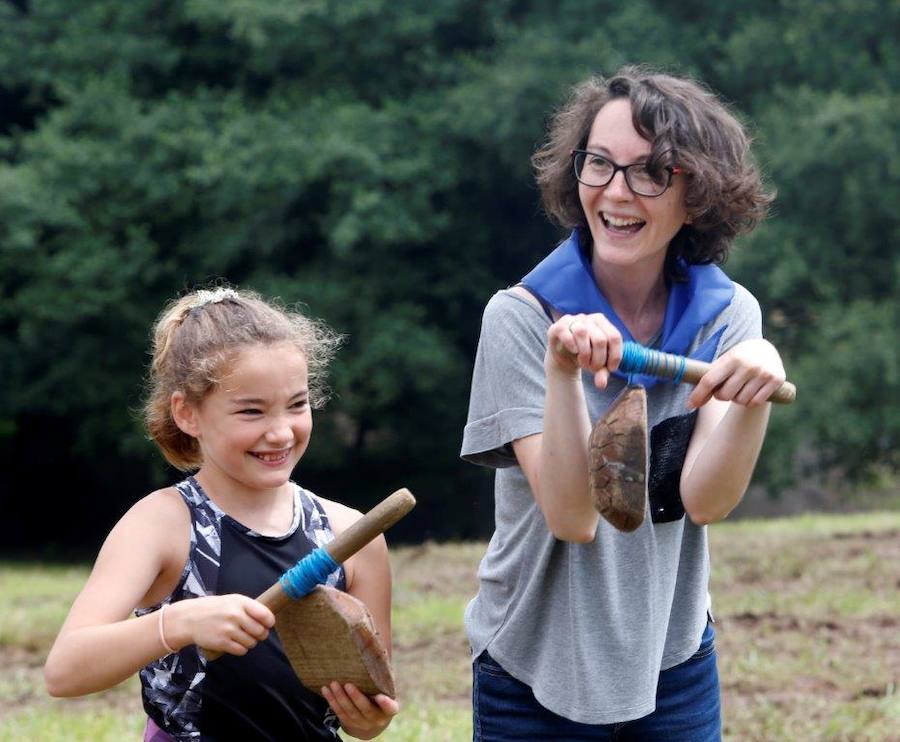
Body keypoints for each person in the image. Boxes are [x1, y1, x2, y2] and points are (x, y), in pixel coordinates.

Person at [461, 66, 785, 740]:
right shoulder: (520, 318)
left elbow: (705, 499)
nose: (615, 191)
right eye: (599, 163)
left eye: (650, 172)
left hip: (673, 657)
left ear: (695, 196)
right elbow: (575, 517)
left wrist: (755, 388)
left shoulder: (728, 316)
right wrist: (561, 372)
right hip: (530, 668)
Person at [44, 287, 400, 741]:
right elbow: (64, 670)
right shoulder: (161, 524)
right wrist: (180, 622)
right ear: (187, 413)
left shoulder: (353, 533)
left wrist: (369, 717)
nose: (280, 432)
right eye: (251, 411)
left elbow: (371, 712)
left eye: (297, 404)